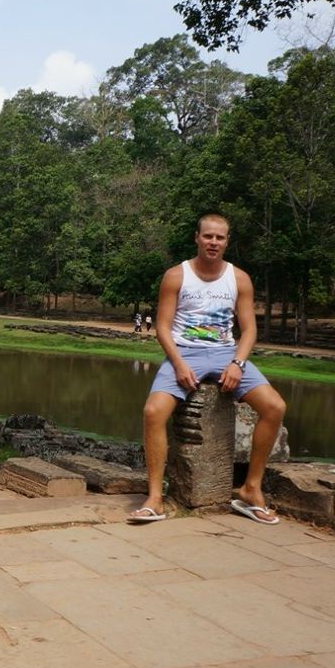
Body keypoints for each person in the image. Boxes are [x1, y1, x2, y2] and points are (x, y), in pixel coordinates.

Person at [129, 213, 286, 526]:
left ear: (227, 241)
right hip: (184, 352)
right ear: (197, 238)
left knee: (275, 407)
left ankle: (251, 489)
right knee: (153, 412)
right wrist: (179, 363)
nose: (213, 242)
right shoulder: (176, 275)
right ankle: (155, 498)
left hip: (226, 353)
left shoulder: (239, 278)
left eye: (220, 237)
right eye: (208, 236)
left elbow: (249, 330)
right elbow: (163, 327)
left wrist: (238, 363)